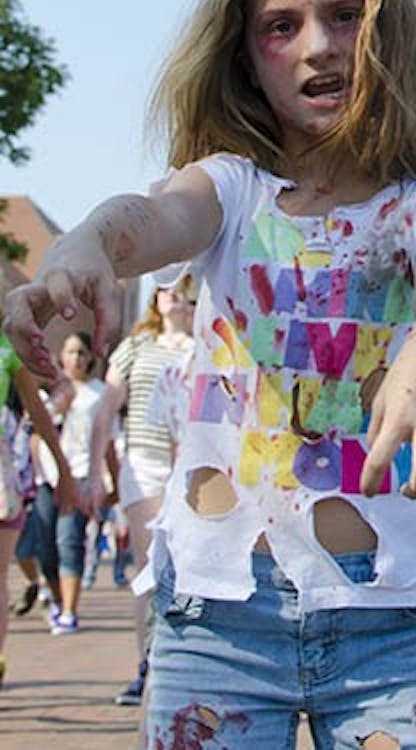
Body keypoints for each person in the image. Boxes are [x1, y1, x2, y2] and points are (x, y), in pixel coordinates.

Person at [3, 0, 416, 747]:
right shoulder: (230, 190)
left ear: (390, 34)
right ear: (245, 58)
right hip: (217, 620)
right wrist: (84, 242)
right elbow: (152, 213)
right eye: (281, 26)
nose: (318, 45)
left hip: (393, 625)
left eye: (345, 16)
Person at [88, 278, 195, 706]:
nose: (172, 295)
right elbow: (107, 406)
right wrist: (97, 471)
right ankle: (148, 662)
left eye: (180, 288)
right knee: (152, 563)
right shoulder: (137, 345)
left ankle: (183, 662)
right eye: (165, 288)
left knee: (189, 568)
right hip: (145, 465)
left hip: (192, 466)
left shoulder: (204, 343)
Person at [0, 326, 74, 683]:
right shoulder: (6, 347)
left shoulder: (8, 348)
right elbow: (39, 410)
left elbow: (40, 411)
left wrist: (63, 468)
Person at [33, 332, 106, 635]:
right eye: (69, 352)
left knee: (68, 541)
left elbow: (107, 441)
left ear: (89, 357)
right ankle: (57, 598)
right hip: (48, 477)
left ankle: (69, 611)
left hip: (79, 475)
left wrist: (102, 482)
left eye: (81, 352)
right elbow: (35, 433)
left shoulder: (99, 393)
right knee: (44, 547)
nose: (75, 358)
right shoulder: (53, 391)